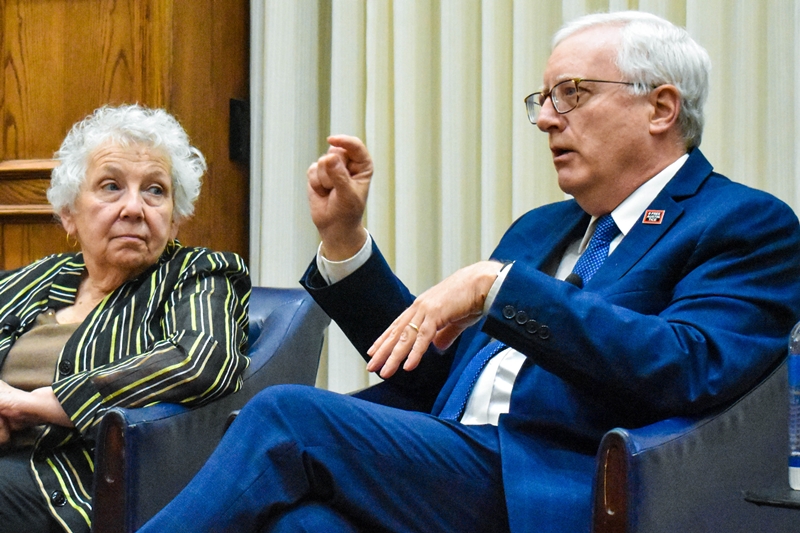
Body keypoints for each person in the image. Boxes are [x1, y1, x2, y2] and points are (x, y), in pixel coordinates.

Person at [137, 11, 800, 533]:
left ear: (660, 107)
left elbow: (687, 365)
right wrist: (345, 242)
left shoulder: (744, 223)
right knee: (302, 523)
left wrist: (500, 287)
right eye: (543, 97)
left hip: (559, 480)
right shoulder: (541, 228)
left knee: (287, 413)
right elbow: (434, 377)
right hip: (459, 459)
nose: (544, 119)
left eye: (571, 94)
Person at [0, 104, 250, 533]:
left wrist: (38, 403)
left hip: (71, 484)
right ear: (69, 213)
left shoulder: (199, 274)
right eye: (111, 186)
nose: (134, 208)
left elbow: (203, 361)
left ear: (174, 219)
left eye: (155, 190)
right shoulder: (31, 281)